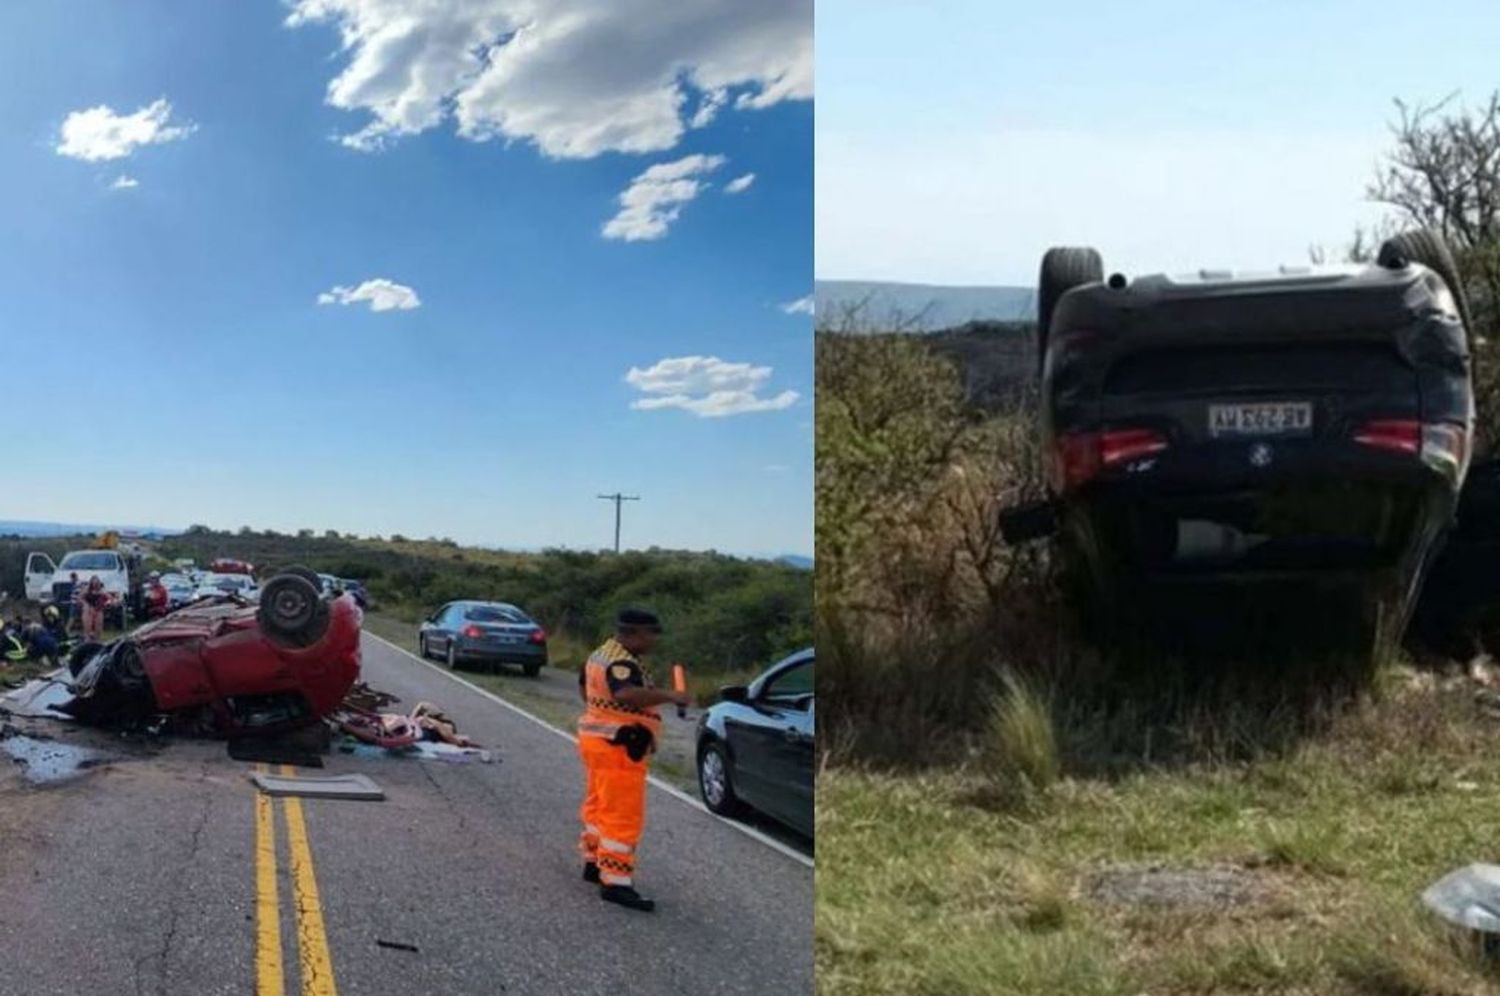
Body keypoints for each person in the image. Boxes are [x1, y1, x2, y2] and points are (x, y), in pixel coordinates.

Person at [575, 608, 690, 912]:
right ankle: (616, 882)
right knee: (622, 814)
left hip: (597, 739)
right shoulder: (621, 662)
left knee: (599, 804)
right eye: (651, 634)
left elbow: (583, 688)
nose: (654, 641)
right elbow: (626, 693)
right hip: (620, 745)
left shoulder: (601, 653)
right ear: (635, 633)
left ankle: (594, 861)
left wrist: (600, 714)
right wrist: (671, 696)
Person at [80, 576, 109, 642]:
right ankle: (87, 639)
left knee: (99, 625)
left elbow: (108, 598)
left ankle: (97, 640)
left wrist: (105, 603)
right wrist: (85, 604)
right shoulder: (86, 589)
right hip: (88, 609)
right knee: (88, 626)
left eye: (96, 582)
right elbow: (80, 598)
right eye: (93, 582)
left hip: (98, 609)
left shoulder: (102, 590)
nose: (95, 584)